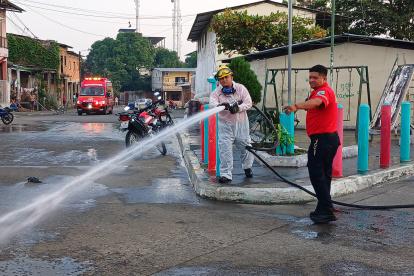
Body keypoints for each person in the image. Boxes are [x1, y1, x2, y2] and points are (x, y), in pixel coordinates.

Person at [284, 65, 340, 224]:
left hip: (322, 139)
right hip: (328, 139)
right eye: (310, 77)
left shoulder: (324, 91)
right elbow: (314, 102)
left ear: (324, 78)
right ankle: (324, 207)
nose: (312, 80)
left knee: (316, 172)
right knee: (324, 173)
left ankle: (326, 209)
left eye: (315, 77)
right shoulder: (317, 91)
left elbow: (316, 102)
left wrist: (296, 106)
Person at [209, 65, 254, 184]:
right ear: (219, 81)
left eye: (226, 77)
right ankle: (226, 175)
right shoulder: (216, 93)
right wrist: (220, 106)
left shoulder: (240, 88)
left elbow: (248, 103)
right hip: (225, 125)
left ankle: (247, 167)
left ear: (231, 77)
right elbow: (212, 104)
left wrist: (238, 108)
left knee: (246, 147)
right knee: (225, 150)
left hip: (241, 124)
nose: (224, 80)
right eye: (221, 78)